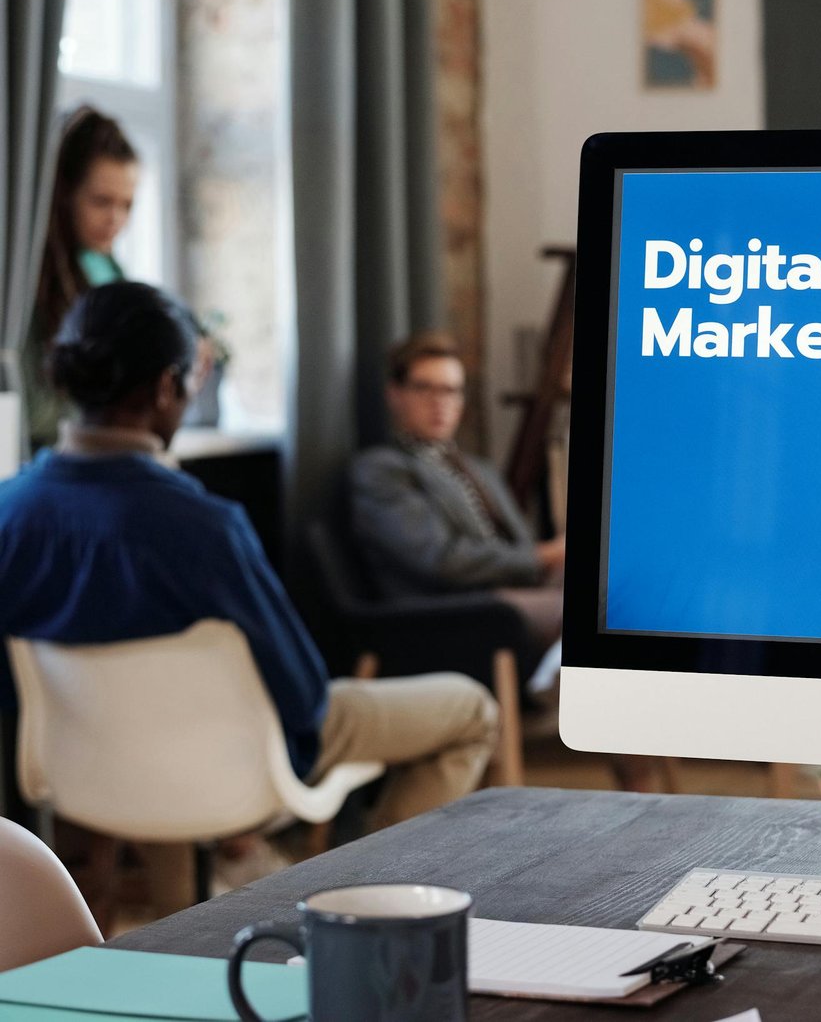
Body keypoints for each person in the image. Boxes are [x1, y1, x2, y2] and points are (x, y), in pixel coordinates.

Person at [0, 283, 499, 834]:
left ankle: (191, 904)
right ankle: (373, 893)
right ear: (168, 386)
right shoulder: (202, 527)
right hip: (226, 765)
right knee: (472, 711)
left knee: (161, 731)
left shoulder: (8, 513)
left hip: (86, 768)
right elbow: (302, 694)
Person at [349, 331, 565, 644]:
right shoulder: (382, 469)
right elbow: (440, 560)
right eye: (424, 389)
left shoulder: (479, 469)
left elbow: (519, 542)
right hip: (452, 609)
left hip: (519, 585)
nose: (439, 403)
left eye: (451, 391)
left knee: (624, 590)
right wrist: (543, 557)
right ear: (395, 394)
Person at [25, 107, 140, 449]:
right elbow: (35, 409)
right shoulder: (29, 280)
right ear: (63, 194)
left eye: (127, 205)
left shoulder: (109, 270)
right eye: (101, 202)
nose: (115, 220)